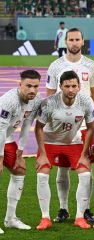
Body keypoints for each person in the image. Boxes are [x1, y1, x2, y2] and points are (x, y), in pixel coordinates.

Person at [47, 27, 94, 224]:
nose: (74, 43)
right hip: (62, 126)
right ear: (65, 42)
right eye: (71, 39)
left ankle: (85, 210)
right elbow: (50, 95)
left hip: (85, 125)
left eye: (78, 39)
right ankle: (63, 209)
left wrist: (84, 113)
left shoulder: (91, 65)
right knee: (62, 168)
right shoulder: (56, 66)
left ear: (83, 42)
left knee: (86, 166)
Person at [35, 70, 94, 230]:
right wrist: (42, 154)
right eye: (67, 86)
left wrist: (84, 155)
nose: (70, 89)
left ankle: (79, 217)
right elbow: (39, 128)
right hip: (49, 142)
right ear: (60, 86)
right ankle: (45, 217)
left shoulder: (86, 101)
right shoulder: (48, 103)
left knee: (85, 174)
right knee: (42, 174)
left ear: (79, 86)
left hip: (73, 142)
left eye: (74, 86)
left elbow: (90, 128)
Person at [0, 70, 42, 234]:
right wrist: (0, 158)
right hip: (1, 133)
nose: (32, 90)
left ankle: (10, 219)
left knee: (19, 170)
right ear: (20, 85)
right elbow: (1, 130)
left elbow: (26, 125)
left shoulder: (36, 100)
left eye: (36, 86)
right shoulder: (9, 101)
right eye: (28, 86)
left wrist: (20, 153)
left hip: (6, 137)